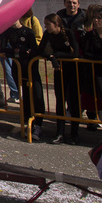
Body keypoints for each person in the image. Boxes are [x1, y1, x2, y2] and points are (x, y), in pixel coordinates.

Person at [2, 10, 44, 141]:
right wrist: (16, 52)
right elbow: (3, 48)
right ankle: (26, 120)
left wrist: (21, 52)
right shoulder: (8, 32)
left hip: (30, 65)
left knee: (35, 93)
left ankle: (38, 122)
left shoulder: (28, 31)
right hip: (18, 65)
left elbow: (33, 50)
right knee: (24, 93)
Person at [40, 13, 81, 144]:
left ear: (56, 24)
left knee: (74, 102)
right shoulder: (48, 34)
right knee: (60, 101)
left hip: (73, 70)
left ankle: (74, 133)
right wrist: (51, 57)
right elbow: (41, 49)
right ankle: (60, 132)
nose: (46, 27)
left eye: (48, 24)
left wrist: (57, 55)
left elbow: (75, 53)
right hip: (59, 70)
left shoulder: (68, 33)